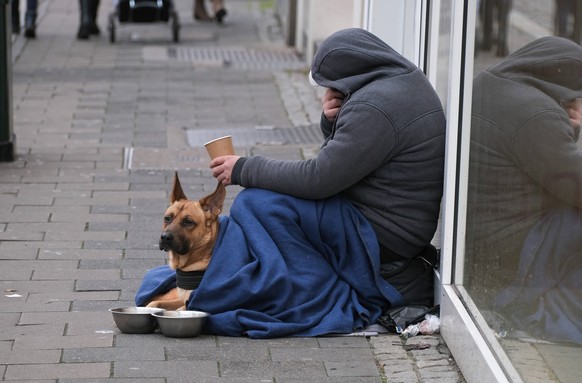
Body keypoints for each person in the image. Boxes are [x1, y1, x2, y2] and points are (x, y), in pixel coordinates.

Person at [210, 28, 447, 307]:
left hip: (382, 239)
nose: (327, 90)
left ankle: (306, 291)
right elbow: (346, 161)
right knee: (267, 203)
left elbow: (318, 179)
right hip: (396, 227)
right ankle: (285, 276)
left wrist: (244, 169)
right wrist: (332, 121)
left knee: (256, 204)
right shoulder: (401, 82)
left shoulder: (374, 107)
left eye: (330, 83)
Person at [466, 36, 582, 343]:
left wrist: (569, 126)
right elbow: (575, 184)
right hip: (515, 251)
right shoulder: (536, 113)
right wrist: (570, 125)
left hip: (477, 246)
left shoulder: (487, 83)